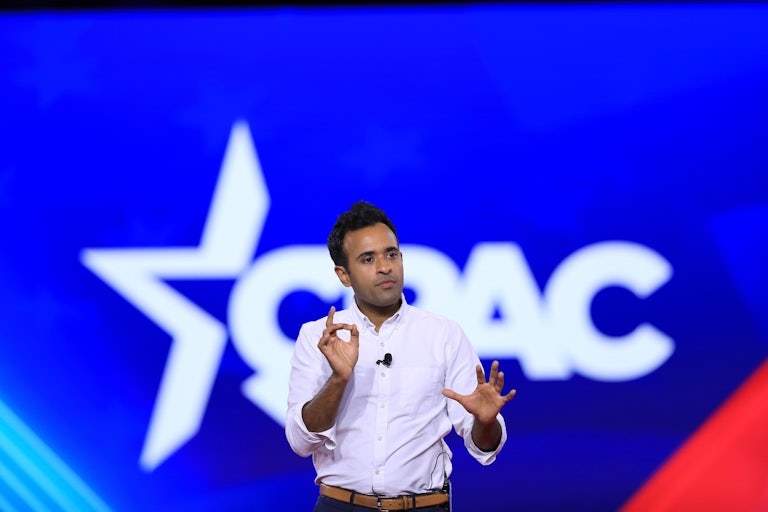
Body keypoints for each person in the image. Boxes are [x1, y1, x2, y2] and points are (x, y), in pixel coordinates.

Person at [286, 201, 516, 511]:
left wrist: (485, 421)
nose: (385, 267)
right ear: (344, 274)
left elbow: (485, 448)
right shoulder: (318, 337)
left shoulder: (443, 334)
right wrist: (339, 379)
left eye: (391, 254)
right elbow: (301, 443)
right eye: (368, 259)